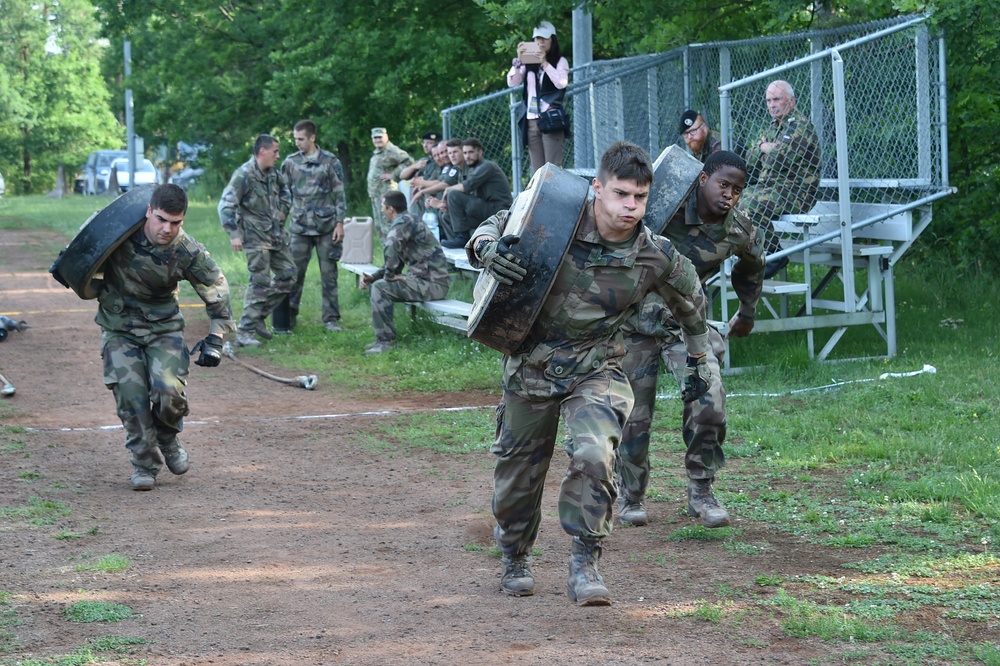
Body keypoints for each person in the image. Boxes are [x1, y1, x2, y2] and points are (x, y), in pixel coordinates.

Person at [466, 141, 712, 606]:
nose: (630, 207)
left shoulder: (654, 254)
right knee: (518, 476)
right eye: (620, 194)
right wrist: (484, 248)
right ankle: (515, 556)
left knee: (596, 453)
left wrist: (700, 359)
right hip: (531, 364)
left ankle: (585, 560)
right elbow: (500, 221)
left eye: (639, 197)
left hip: (596, 366)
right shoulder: (557, 216)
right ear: (597, 188)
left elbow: (691, 301)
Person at [617, 151, 764, 528]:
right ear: (702, 180)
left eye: (738, 189)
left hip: (686, 325)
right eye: (723, 185)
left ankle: (701, 491)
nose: (729, 195)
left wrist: (746, 312)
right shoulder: (664, 204)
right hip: (633, 323)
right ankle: (629, 493)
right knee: (633, 415)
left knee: (710, 400)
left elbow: (753, 267)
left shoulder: (738, 230)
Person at [96, 184, 235, 490]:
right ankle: (144, 463)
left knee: (169, 390)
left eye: (176, 222)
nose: (167, 229)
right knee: (130, 394)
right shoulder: (118, 232)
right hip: (120, 327)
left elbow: (217, 288)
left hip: (163, 327)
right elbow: (81, 256)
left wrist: (216, 337)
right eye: (161, 219)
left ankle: (168, 438)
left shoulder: (184, 249)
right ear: (149, 211)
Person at [218, 134, 294, 348]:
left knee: (288, 275)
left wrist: (283, 210)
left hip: (276, 236)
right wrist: (233, 234)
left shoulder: (273, 173)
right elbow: (225, 205)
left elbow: (286, 191)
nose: (278, 156)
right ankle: (245, 332)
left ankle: (258, 316)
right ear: (263, 151)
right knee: (260, 282)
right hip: (255, 238)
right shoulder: (244, 175)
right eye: (275, 151)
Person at [741, 80, 821, 278]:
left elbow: (782, 158)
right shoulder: (774, 128)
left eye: (777, 99)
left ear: (791, 102)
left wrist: (766, 147)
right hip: (771, 189)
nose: (771, 104)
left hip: (796, 192)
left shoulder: (801, 127)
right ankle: (755, 253)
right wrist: (765, 147)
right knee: (734, 201)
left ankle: (775, 254)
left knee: (751, 203)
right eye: (768, 100)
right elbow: (750, 159)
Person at [359, 191, 450, 354]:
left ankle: (386, 343)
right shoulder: (408, 220)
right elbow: (395, 260)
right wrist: (373, 277)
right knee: (378, 284)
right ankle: (383, 340)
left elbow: (390, 247)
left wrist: (388, 277)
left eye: (382, 207)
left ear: (391, 209)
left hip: (433, 284)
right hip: (427, 281)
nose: (381, 210)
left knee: (381, 288)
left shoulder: (403, 223)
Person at [281, 120, 348, 333]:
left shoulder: (330, 161)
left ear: (312, 138)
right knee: (295, 272)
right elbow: (283, 194)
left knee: (329, 274)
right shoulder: (290, 163)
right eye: (295, 139)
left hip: (326, 226)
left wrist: (339, 223)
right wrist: (280, 221)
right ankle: (289, 316)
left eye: (301, 139)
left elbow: (339, 193)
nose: (297, 143)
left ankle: (331, 319)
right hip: (300, 227)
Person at [507, 20, 570, 176]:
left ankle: (556, 198)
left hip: (550, 118)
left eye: (544, 38)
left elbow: (561, 83)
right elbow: (512, 82)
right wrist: (518, 60)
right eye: (537, 39)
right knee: (538, 171)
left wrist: (545, 63)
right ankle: (541, 199)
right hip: (531, 119)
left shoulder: (560, 61)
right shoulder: (528, 62)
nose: (540, 42)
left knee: (553, 169)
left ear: (552, 40)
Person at [441, 138, 513, 249]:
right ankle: (461, 243)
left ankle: (462, 238)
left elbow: (467, 186)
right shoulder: (471, 169)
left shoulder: (487, 166)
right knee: (447, 216)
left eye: (471, 152)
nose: (467, 156)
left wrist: (447, 190)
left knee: (453, 194)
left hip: (499, 210)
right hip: (485, 208)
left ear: (480, 152)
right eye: (465, 153)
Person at [367, 127, 414, 245]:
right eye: (375, 138)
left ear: (386, 137)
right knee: (380, 227)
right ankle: (388, 257)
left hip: (387, 195)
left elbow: (409, 162)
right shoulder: (378, 152)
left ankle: (396, 256)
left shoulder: (391, 150)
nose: (378, 140)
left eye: (380, 137)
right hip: (376, 195)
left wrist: (393, 175)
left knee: (389, 226)